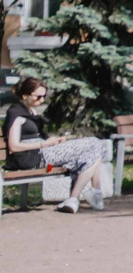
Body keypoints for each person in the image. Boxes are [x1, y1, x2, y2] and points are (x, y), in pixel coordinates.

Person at [5, 76, 115, 213]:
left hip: (44, 151)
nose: (42, 100)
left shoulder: (31, 111)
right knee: (94, 143)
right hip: (33, 156)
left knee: (92, 152)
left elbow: (39, 137)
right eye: (38, 97)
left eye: (44, 96)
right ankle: (92, 193)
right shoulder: (15, 113)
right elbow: (14, 146)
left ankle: (74, 199)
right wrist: (44, 144)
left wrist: (53, 141)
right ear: (25, 95)